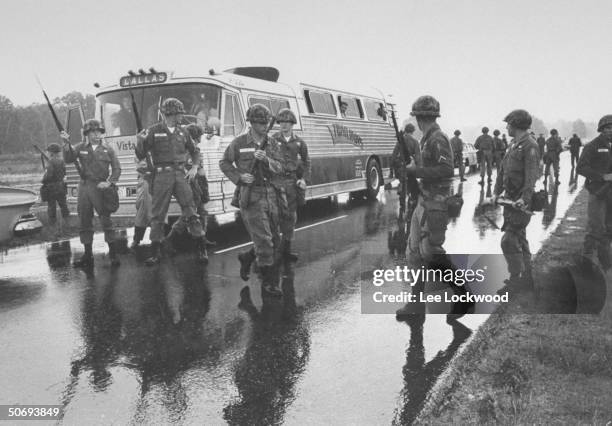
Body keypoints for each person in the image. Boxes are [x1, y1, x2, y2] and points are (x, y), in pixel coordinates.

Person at [219, 104, 285, 296]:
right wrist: (240, 177)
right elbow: (224, 162)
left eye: (266, 123)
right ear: (252, 123)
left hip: (270, 194)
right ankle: (269, 283)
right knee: (264, 242)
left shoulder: (271, 143)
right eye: (260, 123)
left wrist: (266, 160)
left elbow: (281, 167)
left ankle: (247, 257)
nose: (264, 126)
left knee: (275, 238)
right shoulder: (239, 143)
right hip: (252, 196)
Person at [135, 98, 204, 266]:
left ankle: (201, 250)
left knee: (190, 210)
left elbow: (195, 152)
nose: (181, 116)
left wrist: (194, 167)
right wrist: (140, 140)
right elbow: (141, 154)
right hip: (161, 176)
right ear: (170, 114)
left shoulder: (183, 132)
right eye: (179, 113)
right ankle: (156, 253)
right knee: (157, 215)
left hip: (180, 174)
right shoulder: (153, 131)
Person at [61, 119, 122, 267]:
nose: (96, 134)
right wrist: (66, 143)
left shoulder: (108, 149)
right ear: (86, 134)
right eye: (92, 132)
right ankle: (88, 255)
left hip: (100, 187)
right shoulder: (80, 147)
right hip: (84, 186)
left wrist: (109, 182)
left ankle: (113, 254)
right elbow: (68, 159)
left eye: (98, 131)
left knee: (106, 220)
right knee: (84, 220)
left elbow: (117, 169)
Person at [492, 109, 539, 287]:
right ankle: (527, 278)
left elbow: (531, 175)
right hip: (510, 201)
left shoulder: (530, 145)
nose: (506, 127)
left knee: (509, 241)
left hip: (520, 203)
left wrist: (524, 199)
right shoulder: (513, 144)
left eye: (508, 124)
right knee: (520, 238)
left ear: (517, 125)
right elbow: (502, 170)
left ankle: (515, 278)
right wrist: (496, 192)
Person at [270, 108, 310, 263]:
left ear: (292, 124)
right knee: (275, 216)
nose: (284, 125)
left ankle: (286, 250)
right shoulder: (273, 139)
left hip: (292, 183)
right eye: (281, 123)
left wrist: (304, 179)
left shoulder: (299, 142)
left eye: (287, 123)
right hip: (277, 182)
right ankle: (273, 250)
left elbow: (307, 162)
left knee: (291, 216)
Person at [576, 115, 612, 268]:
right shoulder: (592, 146)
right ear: (601, 129)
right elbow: (581, 168)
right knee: (595, 229)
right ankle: (586, 262)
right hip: (598, 192)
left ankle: (606, 265)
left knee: (609, 229)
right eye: (607, 128)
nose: (610, 131)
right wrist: (602, 176)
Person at [185, 123, 212, 261]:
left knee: (201, 212)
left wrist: (204, 189)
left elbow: (201, 171)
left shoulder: (195, 149)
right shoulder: (187, 151)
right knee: (193, 215)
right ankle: (201, 247)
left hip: (198, 185)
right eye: (199, 136)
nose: (201, 139)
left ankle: (203, 240)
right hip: (190, 186)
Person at [392, 122, 423, 212]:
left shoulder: (400, 141)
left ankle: (402, 191)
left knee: (404, 181)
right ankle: (412, 200)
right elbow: (418, 157)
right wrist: (419, 169)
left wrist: (393, 166)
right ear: (413, 131)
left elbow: (394, 155)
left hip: (401, 167)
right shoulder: (415, 142)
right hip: (410, 168)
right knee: (413, 184)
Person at [42, 143, 70, 226]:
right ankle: (67, 223)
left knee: (51, 207)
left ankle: (53, 226)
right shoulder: (62, 161)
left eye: (48, 151)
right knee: (64, 206)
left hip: (52, 188)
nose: (47, 153)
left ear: (52, 152)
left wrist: (43, 180)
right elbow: (65, 172)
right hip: (61, 186)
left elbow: (49, 175)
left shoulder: (51, 161)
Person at [131, 159, 152, 250]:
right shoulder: (141, 152)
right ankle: (136, 239)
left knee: (154, 213)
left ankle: (158, 241)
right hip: (144, 182)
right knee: (140, 213)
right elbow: (140, 167)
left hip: (152, 182)